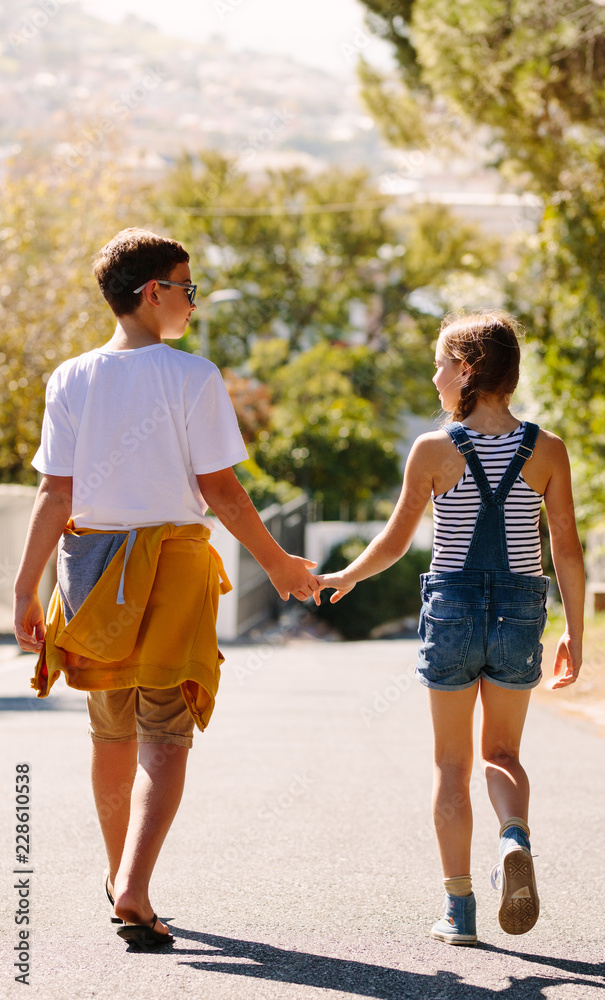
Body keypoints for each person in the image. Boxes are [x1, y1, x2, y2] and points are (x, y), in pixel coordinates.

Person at [13, 227, 320, 949]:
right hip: (172, 567)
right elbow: (222, 492)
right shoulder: (192, 376)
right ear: (153, 292)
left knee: (111, 729)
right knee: (166, 735)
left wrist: (24, 590)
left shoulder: (70, 377)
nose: (192, 302)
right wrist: (278, 563)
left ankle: (119, 875)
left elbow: (54, 495)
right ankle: (136, 885)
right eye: (186, 288)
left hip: (89, 570)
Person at [315, 311, 584, 946]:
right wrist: (576, 631)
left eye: (440, 364)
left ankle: (459, 909)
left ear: (465, 370)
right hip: (521, 607)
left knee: (450, 763)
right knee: (504, 755)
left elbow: (394, 539)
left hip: (454, 607)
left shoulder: (434, 450)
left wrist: (346, 577)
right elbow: (566, 550)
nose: (434, 377)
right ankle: (513, 835)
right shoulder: (548, 451)